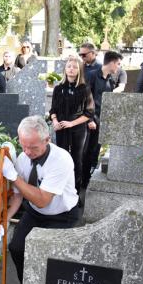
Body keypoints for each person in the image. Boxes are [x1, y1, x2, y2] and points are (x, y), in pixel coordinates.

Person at [2, 115, 80, 284]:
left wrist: (14, 178)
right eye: (24, 146)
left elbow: (43, 200)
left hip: (62, 215)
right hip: (35, 213)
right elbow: (20, 194)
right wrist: (7, 217)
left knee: (51, 257)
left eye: (33, 147)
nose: (27, 152)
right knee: (17, 247)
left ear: (47, 139)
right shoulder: (23, 157)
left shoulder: (61, 159)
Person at [49, 56, 94, 192]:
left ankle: (75, 190)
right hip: (61, 127)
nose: (71, 69)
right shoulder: (58, 88)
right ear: (65, 69)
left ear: (79, 70)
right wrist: (55, 121)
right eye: (69, 66)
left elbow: (89, 112)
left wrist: (71, 123)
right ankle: (61, 188)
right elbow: (53, 110)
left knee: (76, 159)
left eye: (74, 67)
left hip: (78, 128)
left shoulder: (84, 88)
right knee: (62, 158)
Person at [81, 51, 122, 190]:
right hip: (89, 122)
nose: (118, 67)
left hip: (100, 122)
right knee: (85, 154)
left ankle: (88, 182)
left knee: (94, 153)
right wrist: (89, 119)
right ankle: (80, 184)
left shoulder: (110, 79)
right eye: (118, 63)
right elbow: (85, 98)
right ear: (111, 62)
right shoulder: (92, 75)